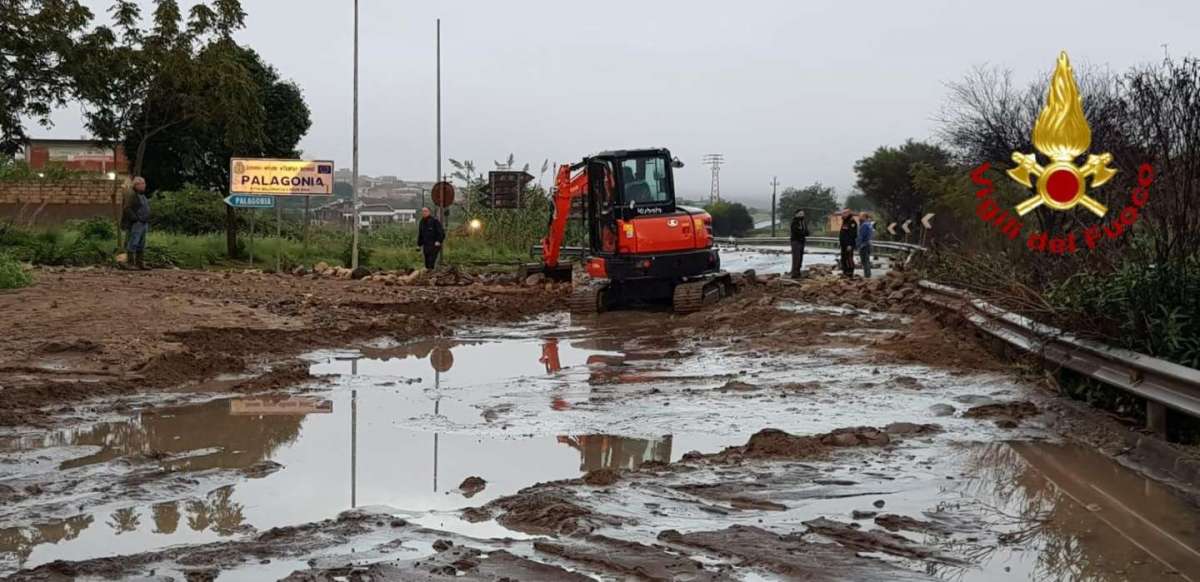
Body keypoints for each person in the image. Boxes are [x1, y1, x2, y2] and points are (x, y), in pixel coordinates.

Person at [120, 177, 151, 270]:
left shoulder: (142, 195)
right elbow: (127, 208)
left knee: (141, 243)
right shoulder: (132, 195)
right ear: (136, 185)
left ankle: (140, 263)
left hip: (144, 223)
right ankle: (130, 263)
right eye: (142, 184)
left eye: (144, 183)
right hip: (137, 223)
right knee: (133, 242)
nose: (144, 185)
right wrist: (135, 219)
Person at [788, 209, 809, 279]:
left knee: (800, 258)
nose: (802, 215)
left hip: (802, 241)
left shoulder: (803, 222)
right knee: (796, 258)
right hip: (796, 242)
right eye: (800, 214)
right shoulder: (794, 222)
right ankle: (794, 274)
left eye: (803, 214)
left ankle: (798, 272)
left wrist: (804, 233)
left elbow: (807, 232)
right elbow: (797, 232)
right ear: (796, 214)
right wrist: (803, 233)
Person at [837, 209, 858, 277]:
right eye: (842, 213)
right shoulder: (845, 221)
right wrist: (840, 242)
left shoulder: (852, 222)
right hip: (843, 244)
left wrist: (850, 244)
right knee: (843, 258)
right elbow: (843, 234)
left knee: (849, 258)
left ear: (848, 213)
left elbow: (853, 235)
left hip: (849, 245)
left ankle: (850, 272)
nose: (842, 214)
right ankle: (845, 271)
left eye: (844, 213)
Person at [857, 212, 875, 278]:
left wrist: (858, 245)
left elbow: (861, 236)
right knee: (866, 260)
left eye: (860, 216)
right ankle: (868, 274)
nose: (859, 217)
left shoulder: (864, 225)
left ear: (864, 217)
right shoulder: (869, 224)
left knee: (864, 261)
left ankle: (867, 275)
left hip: (864, 245)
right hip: (868, 244)